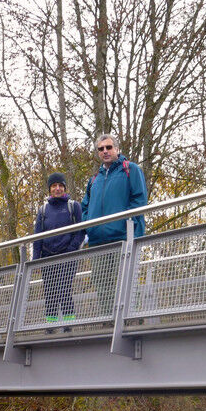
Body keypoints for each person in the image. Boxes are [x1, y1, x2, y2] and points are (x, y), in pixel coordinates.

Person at [81, 133, 147, 314]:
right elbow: (84, 206)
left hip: (123, 238)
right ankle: (108, 325)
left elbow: (139, 201)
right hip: (97, 242)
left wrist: (128, 226)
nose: (105, 151)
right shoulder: (94, 179)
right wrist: (89, 228)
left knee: (126, 284)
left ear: (117, 149)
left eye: (109, 147)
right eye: (101, 149)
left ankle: (133, 321)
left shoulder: (130, 170)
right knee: (103, 287)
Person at [33, 172, 85, 327]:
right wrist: (35, 260)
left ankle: (69, 326)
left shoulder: (73, 206)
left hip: (67, 255)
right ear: (49, 189)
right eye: (54, 186)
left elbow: (81, 230)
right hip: (47, 257)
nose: (57, 189)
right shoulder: (43, 210)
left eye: (60, 185)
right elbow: (37, 236)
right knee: (50, 293)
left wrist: (72, 248)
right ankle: (50, 327)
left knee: (64, 290)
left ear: (64, 188)